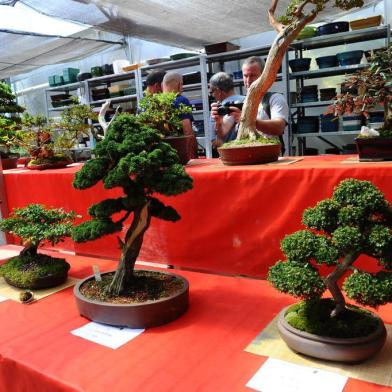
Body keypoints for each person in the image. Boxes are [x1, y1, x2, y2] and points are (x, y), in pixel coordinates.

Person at [211, 56, 289, 149]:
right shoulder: (241, 102)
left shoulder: (275, 99)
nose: (248, 81)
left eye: (252, 75)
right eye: (245, 75)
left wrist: (246, 120)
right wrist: (218, 122)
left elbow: (279, 128)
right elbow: (222, 134)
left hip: (270, 157)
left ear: (264, 76)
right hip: (247, 155)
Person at [162, 72, 197, 157]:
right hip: (179, 150)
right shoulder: (181, 100)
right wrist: (193, 154)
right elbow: (187, 130)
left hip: (162, 150)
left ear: (162, 85)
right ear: (180, 84)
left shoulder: (154, 102)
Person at [209, 72, 245, 148]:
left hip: (231, 154)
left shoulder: (218, 110)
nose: (212, 95)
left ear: (218, 91)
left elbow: (215, 142)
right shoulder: (247, 100)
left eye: (212, 92)